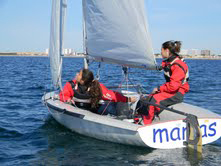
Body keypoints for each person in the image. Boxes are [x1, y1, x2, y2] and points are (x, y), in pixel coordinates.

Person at [138, 40, 189, 125]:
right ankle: (141, 117)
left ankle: (146, 123)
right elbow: (162, 66)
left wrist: (159, 88)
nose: (161, 53)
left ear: (167, 51)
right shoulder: (169, 62)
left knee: (152, 101)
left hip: (177, 93)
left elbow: (173, 86)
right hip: (171, 91)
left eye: (161, 50)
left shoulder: (178, 65)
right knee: (147, 98)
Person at [59, 68, 137, 115]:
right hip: (77, 110)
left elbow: (111, 96)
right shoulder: (71, 85)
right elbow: (63, 95)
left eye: (79, 74)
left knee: (110, 107)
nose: (76, 74)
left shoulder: (96, 87)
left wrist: (128, 99)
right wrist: (67, 99)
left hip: (94, 111)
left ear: (83, 80)